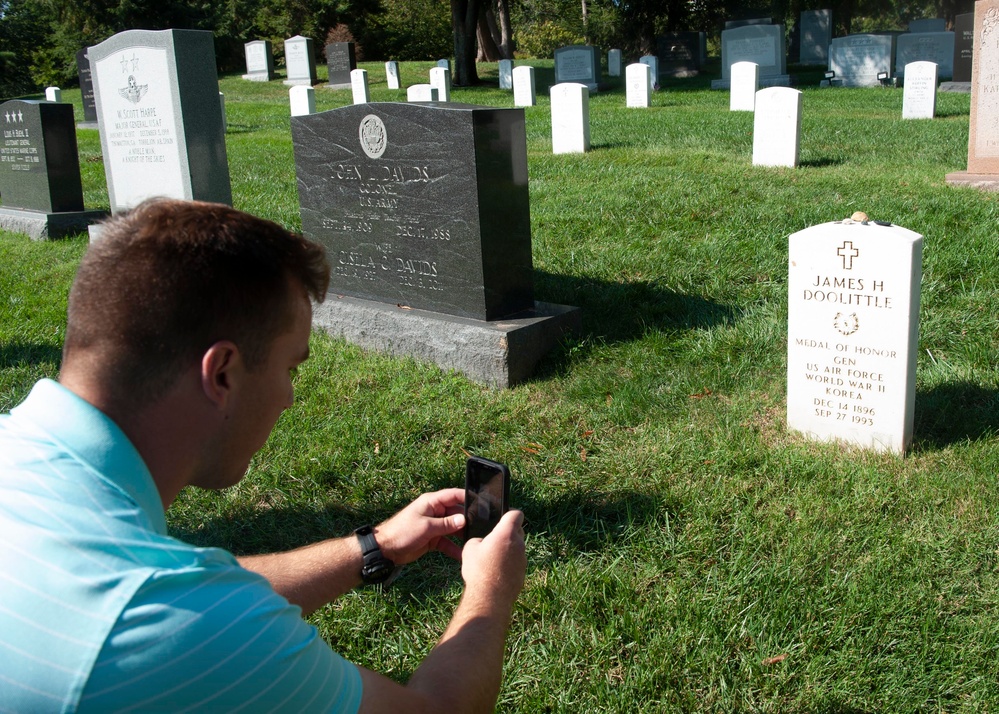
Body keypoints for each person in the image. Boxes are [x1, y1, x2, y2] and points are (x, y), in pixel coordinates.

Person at [0, 198, 527, 712]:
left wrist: (376, 547)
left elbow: (195, 593)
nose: (289, 397)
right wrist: (491, 590)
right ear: (223, 372)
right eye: (290, 369)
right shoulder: (174, 623)